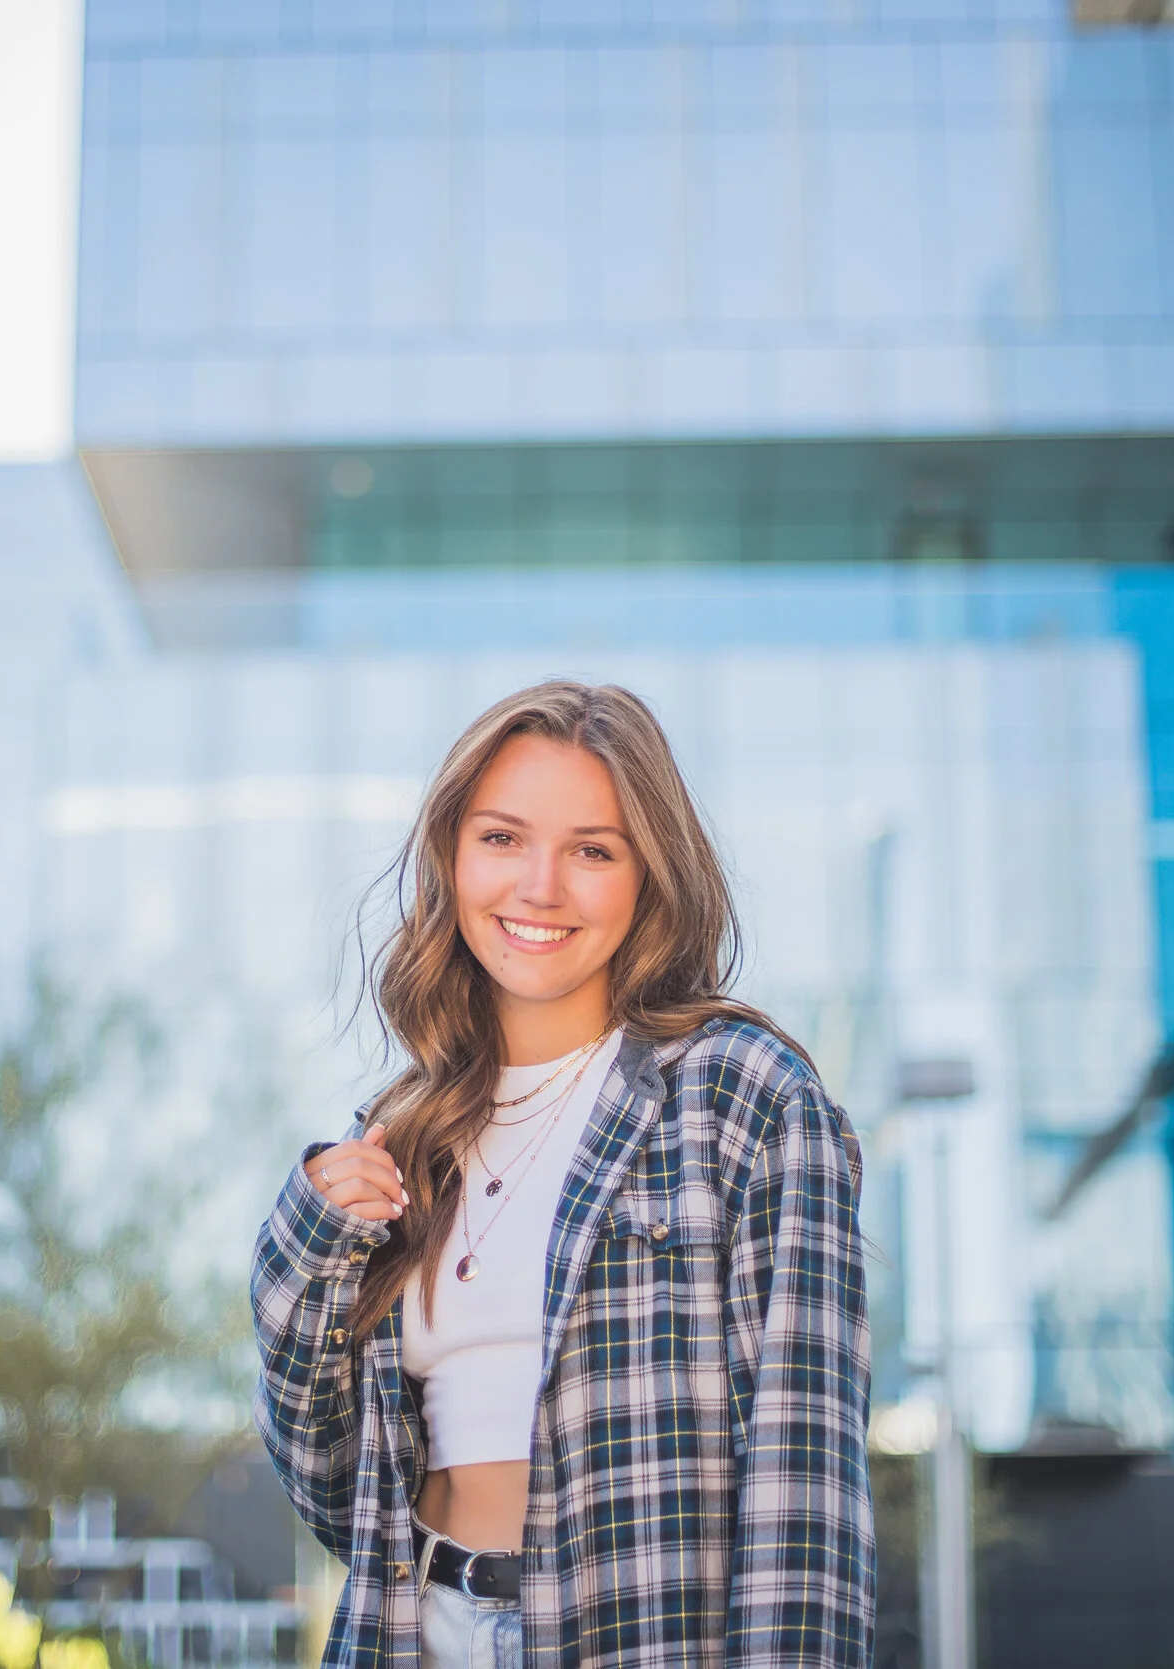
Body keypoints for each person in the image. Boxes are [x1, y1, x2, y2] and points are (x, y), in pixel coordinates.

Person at [251, 680, 874, 1669]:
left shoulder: (742, 1096)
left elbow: (805, 1485)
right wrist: (308, 1240)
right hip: (421, 1630)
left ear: (649, 875)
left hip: (638, 1636)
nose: (539, 887)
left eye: (592, 850)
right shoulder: (407, 1133)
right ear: (453, 857)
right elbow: (336, 1485)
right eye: (502, 837)